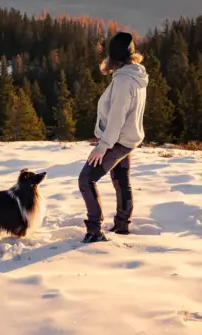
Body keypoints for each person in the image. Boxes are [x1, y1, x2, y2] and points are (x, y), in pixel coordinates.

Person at [77, 31, 149, 244]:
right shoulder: (136, 75)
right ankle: (122, 225)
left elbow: (117, 116)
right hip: (128, 138)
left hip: (117, 141)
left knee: (86, 179)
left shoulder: (123, 81)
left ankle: (94, 230)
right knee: (121, 180)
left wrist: (103, 146)